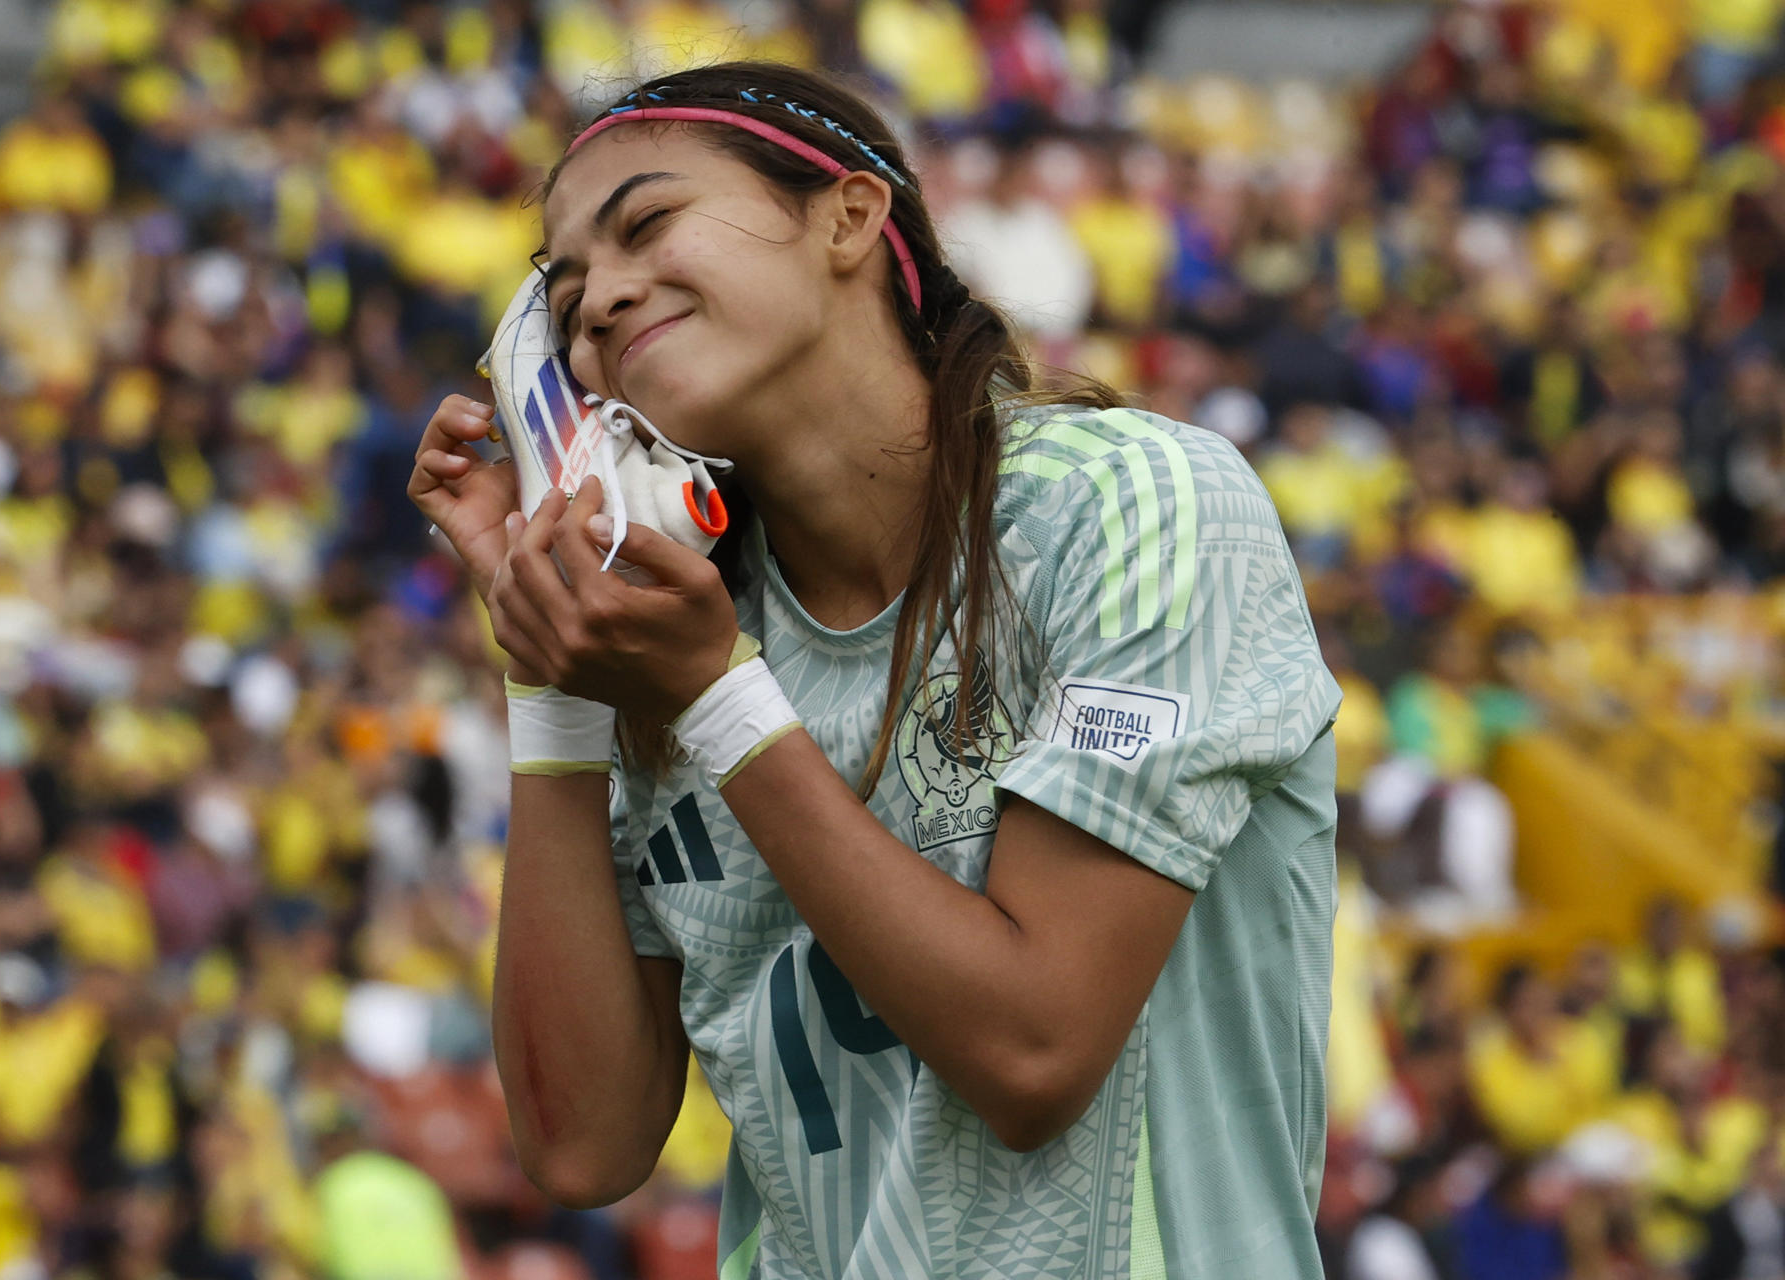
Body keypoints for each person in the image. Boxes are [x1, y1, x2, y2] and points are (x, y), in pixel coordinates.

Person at [408, 61, 1341, 1279]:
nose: (598, 305)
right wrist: (555, 677)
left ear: (850, 216)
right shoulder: (681, 629)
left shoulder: (1136, 503)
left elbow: (1035, 1051)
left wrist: (715, 699)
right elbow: (582, 1146)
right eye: (566, 294)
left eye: (647, 224)